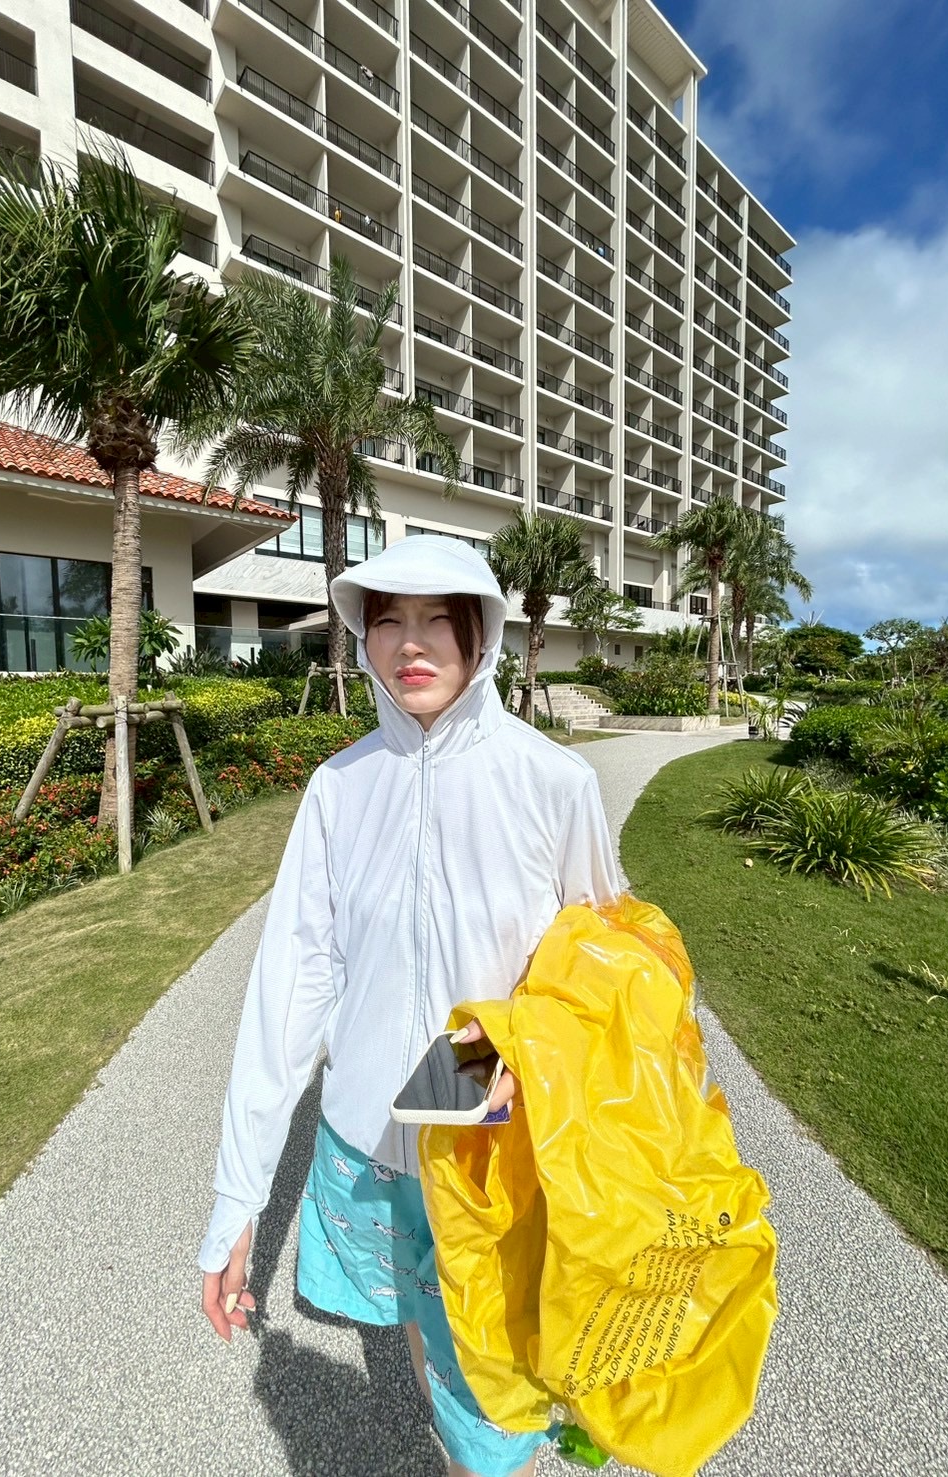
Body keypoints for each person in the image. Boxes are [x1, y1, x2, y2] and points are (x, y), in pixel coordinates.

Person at [200, 537, 619, 1477]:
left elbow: (604, 970)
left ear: (481, 634)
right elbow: (292, 987)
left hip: (491, 1150)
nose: (412, 643)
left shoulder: (554, 783)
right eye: (388, 619)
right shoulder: (339, 787)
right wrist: (237, 1200)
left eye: (438, 619)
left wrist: (516, 1054)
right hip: (370, 1145)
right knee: (431, 1343)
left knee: (495, 1401)